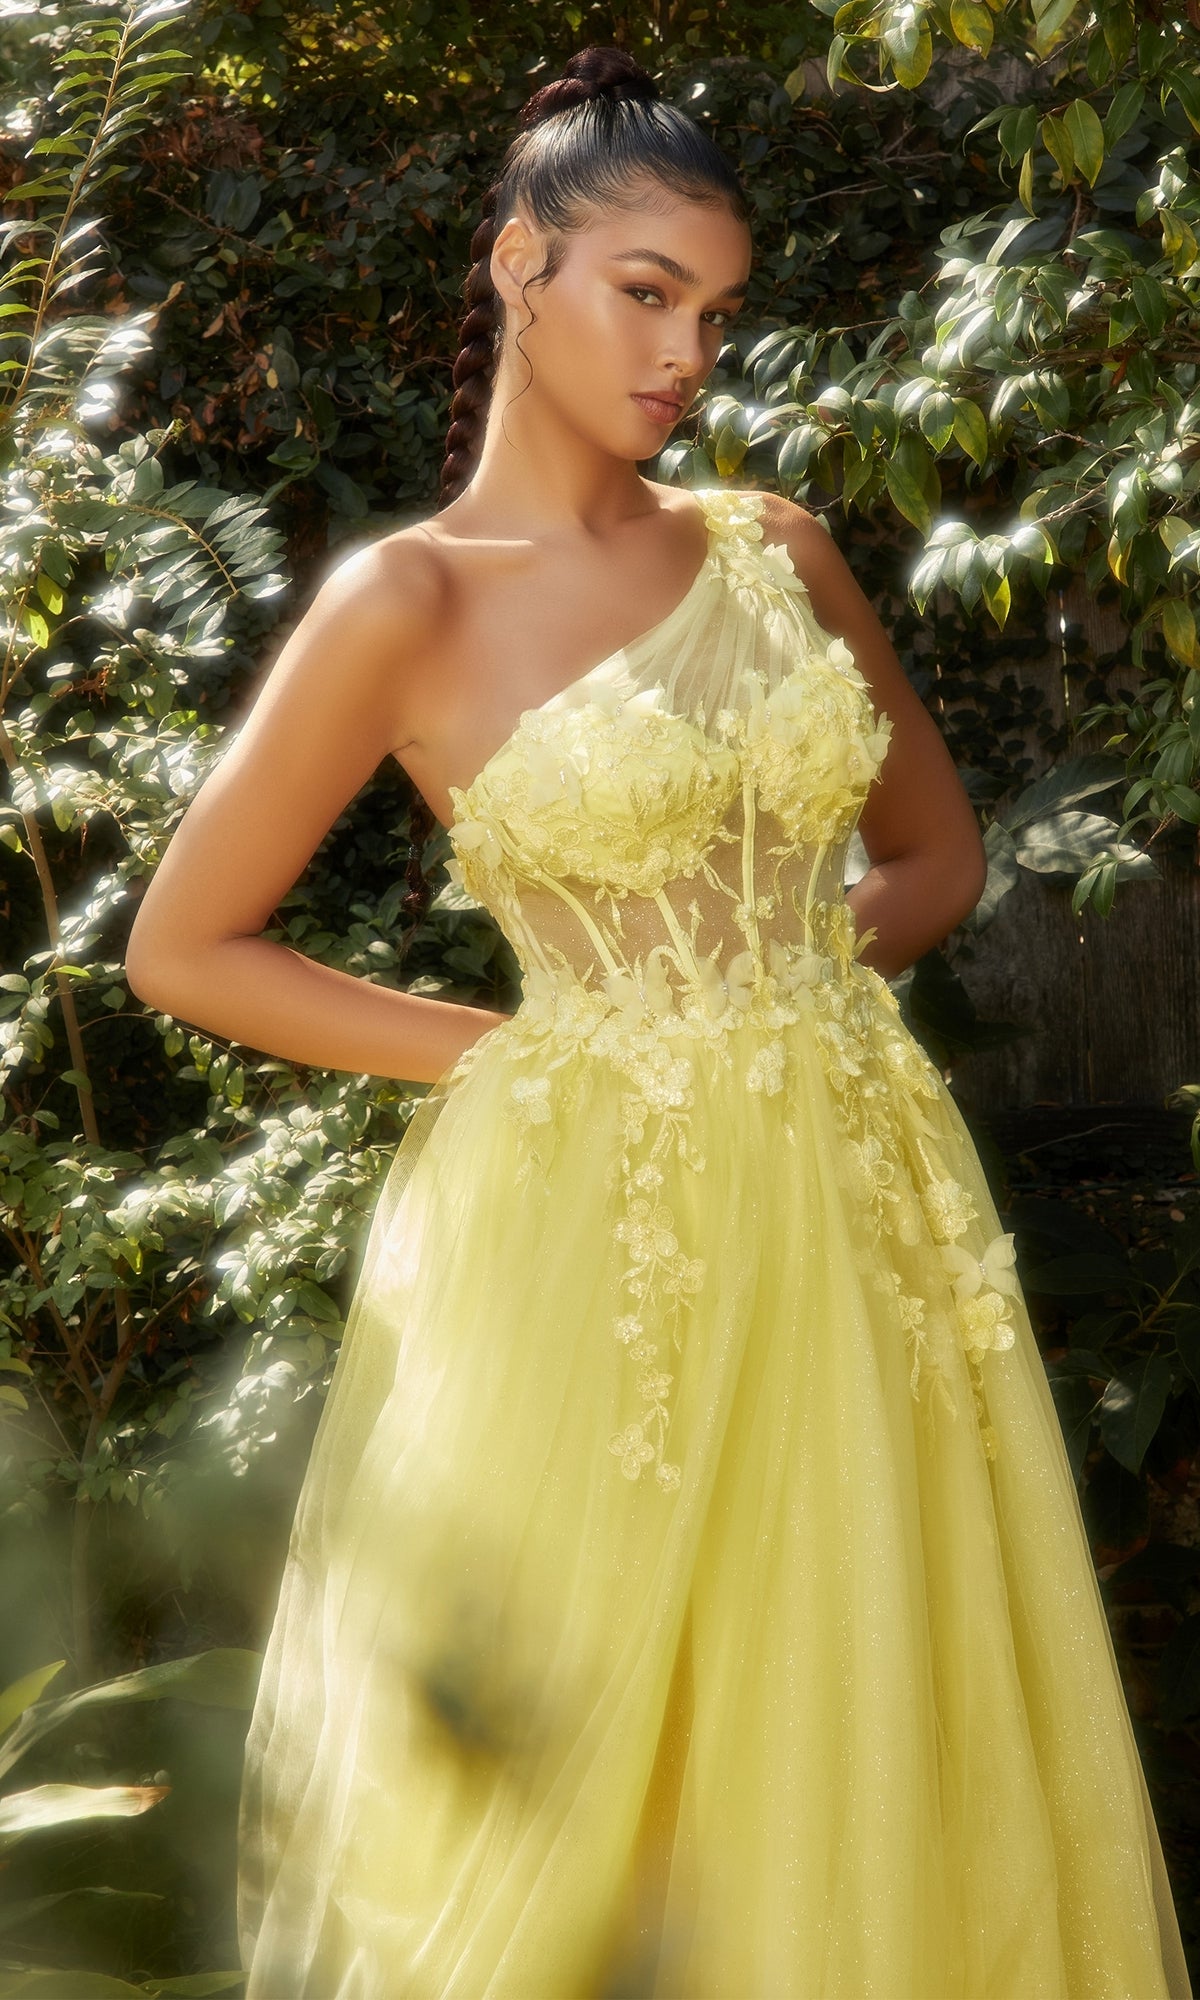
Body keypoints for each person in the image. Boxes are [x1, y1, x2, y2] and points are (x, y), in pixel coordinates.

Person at [124, 42, 1193, 2000]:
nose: (687, 351)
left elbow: (937, 855)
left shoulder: (775, 550)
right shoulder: (407, 603)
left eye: (715, 311)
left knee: (871, 1679)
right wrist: (541, 1053)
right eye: (645, 292)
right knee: (586, 1747)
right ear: (519, 265)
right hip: (599, 1234)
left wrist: (791, 996)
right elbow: (186, 947)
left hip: (864, 1196)